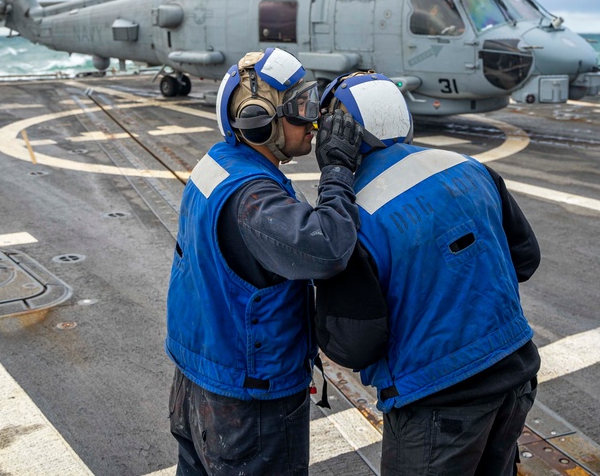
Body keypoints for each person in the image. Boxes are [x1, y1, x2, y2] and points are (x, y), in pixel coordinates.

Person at [314, 71, 541, 476]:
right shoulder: (470, 168)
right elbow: (525, 259)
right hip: (516, 373)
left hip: (438, 400)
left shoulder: (351, 219)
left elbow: (353, 344)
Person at [165, 48, 364, 476]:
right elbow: (329, 249)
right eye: (300, 110)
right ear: (259, 122)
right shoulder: (254, 200)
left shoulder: (219, 163)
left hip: (198, 380)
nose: (313, 121)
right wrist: (338, 172)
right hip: (248, 404)